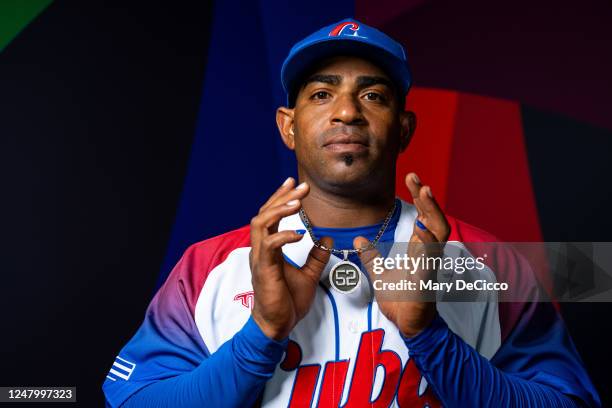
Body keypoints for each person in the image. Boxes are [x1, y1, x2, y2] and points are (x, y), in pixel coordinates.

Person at [102, 18, 600, 407]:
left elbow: (567, 400)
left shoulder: (489, 261)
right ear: (288, 127)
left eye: (372, 95)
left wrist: (429, 336)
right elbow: (134, 398)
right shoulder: (207, 264)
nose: (347, 111)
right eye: (322, 94)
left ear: (403, 129)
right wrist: (263, 333)